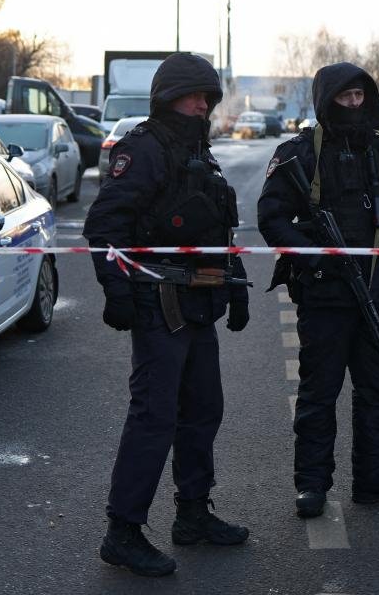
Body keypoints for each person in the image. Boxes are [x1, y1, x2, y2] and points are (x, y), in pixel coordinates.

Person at [83, 52, 250, 578]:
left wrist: (236, 284)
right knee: (154, 418)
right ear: (169, 97)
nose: (203, 105)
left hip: (200, 303)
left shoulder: (200, 152)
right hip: (159, 303)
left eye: (208, 98)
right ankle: (123, 531)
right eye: (193, 96)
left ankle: (193, 514)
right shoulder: (145, 149)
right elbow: (104, 226)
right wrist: (116, 291)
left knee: (204, 410)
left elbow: (218, 227)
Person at [257, 62, 379, 519]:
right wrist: (316, 257)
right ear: (327, 101)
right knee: (319, 393)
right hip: (325, 296)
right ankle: (312, 483)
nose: (354, 104)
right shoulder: (300, 154)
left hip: (377, 292)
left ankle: (375, 477)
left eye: (360, 96)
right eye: (345, 97)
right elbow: (272, 219)